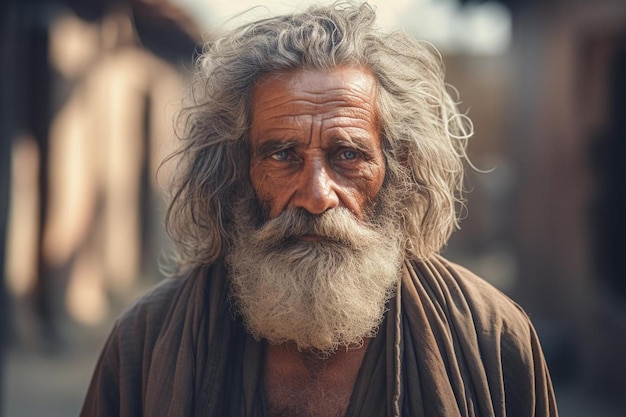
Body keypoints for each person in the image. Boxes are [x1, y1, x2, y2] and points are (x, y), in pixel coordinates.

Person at [81, 3, 559, 417]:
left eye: (348, 155)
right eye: (281, 155)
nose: (316, 195)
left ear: (398, 169)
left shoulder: (490, 338)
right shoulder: (146, 343)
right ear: (236, 172)